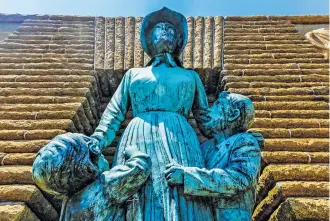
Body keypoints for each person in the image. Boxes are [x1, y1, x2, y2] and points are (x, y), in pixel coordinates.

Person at [79, 7, 216, 221]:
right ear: (149, 39)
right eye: (159, 28)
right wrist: (97, 140)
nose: (164, 30)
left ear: (179, 39)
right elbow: (114, 113)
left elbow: (206, 121)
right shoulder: (133, 74)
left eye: (170, 29)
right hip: (139, 136)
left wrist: (232, 137)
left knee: (181, 197)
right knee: (138, 195)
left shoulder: (190, 76)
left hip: (180, 138)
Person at [165, 92, 263, 221]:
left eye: (217, 105)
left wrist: (187, 176)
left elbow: (237, 180)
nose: (209, 110)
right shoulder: (205, 148)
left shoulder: (244, 142)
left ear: (233, 115)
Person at [32, 133, 151, 221]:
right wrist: (134, 154)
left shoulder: (68, 206)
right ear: (91, 162)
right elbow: (139, 169)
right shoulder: (104, 185)